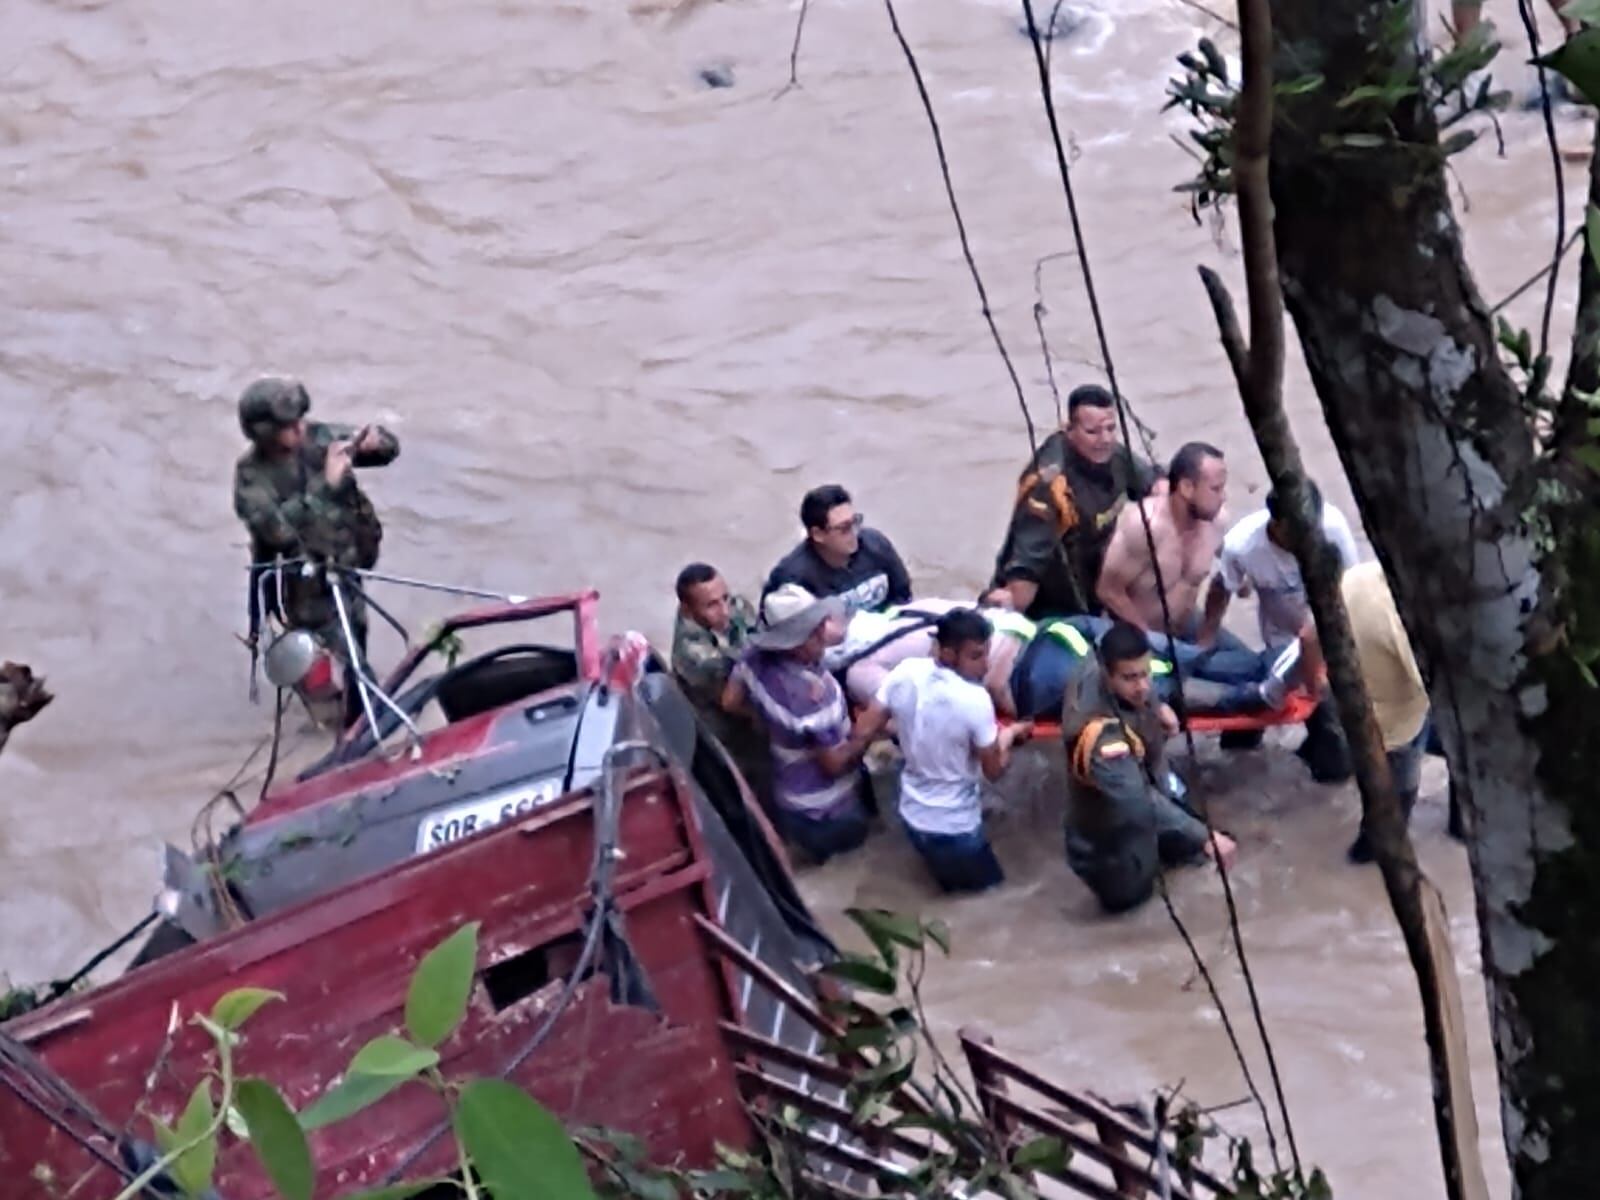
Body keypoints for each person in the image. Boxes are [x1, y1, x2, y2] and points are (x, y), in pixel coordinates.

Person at [232, 376, 399, 724]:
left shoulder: (317, 438)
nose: (301, 428)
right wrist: (328, 483)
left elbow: (388, 450)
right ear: (264, 433)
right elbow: (278, 531)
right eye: (289, 426)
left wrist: (374, 443)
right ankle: (362, 725)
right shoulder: (252, 478)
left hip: (346, 564)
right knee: (344, 657)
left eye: (300, 420)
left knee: (356, 636)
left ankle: (348, 712)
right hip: (305, 583)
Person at [853, 610, 1033, 893]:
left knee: (949, 894)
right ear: (948, 654)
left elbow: (864, 729)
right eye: (976, 657)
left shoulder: (906, 671)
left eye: (987, 653)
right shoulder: (975, 700)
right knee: (992, 899)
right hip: (956, 828)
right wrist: (1009, 734)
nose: (986, 666)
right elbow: (994, 771)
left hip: (911, 815)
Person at [1061, 622, 1236, 913]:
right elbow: (1138, 798)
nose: (1142, 685)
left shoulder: (1102, 661)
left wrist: (1156, 706)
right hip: (1110, 845)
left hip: (1138, 792)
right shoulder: (1103, 740)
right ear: (1106, 674)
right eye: (1131, 679)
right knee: (1136, 905)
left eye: (1146, 674)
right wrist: (1204, 836)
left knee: (1199, 848)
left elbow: (1139, 679)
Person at [724, 585, 876, 863]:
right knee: (863, 844)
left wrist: (772, 724)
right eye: (818, 627)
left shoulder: (751, 657)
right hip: (828, 812)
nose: (825, 629)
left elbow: (730, 702)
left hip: (788, 799)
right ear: (799, 639)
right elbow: (834, 765)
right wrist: (867, 730)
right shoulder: (813, 697)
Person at [989, 384, 1159, 619]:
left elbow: (1159, 487)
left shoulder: (1115, 455)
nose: (1105, 439)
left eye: (1111, 429)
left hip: (1098, 593)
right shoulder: (1050, 487)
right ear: (1070, 430)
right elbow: (1024, 571)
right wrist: (1008, 611)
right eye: (1093, 432)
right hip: (1050, 608)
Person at [1321, 563, 1433, 864]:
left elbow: (1308, 634)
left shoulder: (1361, 574)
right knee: (1397, 795)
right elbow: (1439, 687)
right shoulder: (1400, 624)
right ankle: (1372, 853)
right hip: (1397, 725)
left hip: (1355, 706)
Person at [1202, 480, 1360, 651]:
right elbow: (1223, 585)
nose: (1306, 537)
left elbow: (1355, 580)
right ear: (1276, 524)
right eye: (1298, 531)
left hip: (1336, 633)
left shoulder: (1333, 527)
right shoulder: (1242, 546)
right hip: (1283, 641)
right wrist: (1206, 638)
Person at [1096, 441, 1229, 640]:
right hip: (1139, 635)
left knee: (1252, 665)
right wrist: (1148, 640)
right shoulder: (1145, 527)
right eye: (1215, 489)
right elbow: (1108, 590)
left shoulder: (1217, 522)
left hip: (1186, 628)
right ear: (1186, 488)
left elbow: (1232, 572)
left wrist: (1206, 639)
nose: (1223, 497)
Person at [669, 562, 770, 804]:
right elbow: (733, 703)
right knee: (749, 785)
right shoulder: (694, 655)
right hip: (726, 725)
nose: (724, 610)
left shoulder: (733, 607)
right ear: (687, 608)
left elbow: (758, 636)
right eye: (711, 605)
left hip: (747, 690)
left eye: (724, 597)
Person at [763, 485, 912, 614]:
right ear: (818, 534)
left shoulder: (875, 545)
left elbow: (903, 595)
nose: (854, 532)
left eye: (855, 522)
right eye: (844, 528)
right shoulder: (792, 579)